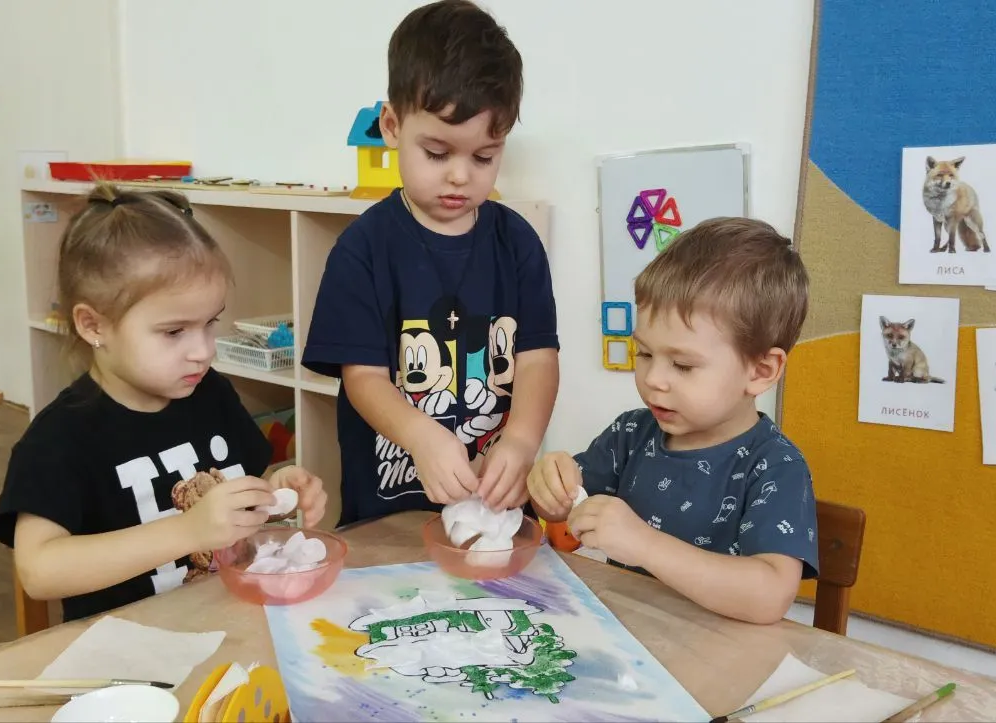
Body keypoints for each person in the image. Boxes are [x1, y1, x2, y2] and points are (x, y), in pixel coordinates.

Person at [0, 183, 327, 622]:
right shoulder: (61, 437)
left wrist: (274, 490)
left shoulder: (211, 394)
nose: (203, 351)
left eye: (210, 323)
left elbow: (243, 484)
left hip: (228, 623)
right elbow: (39, 571)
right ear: (94, 326)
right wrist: (186, 531)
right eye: (174, 332)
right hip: (129, 648)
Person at [302, 0, 559, 526]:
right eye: (438, 153)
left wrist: (521, 440)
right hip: (389, 515)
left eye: (484, 156)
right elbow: (364, 377)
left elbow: (538, 358)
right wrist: (421, 436)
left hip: (493, 510)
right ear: (392, 125)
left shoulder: (518, 243)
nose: (461, 176)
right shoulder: (361, 250)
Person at [527, 217, 817, 624]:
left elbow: (769, 597)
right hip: (631, 637)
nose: (653, 379)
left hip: (719, 651)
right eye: (644, 354)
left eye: (682, 365)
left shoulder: (775, 466)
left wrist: (644, 544)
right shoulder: (631, 433)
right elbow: (563, 511)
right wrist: (550, 488)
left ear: (760, 371)